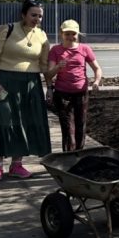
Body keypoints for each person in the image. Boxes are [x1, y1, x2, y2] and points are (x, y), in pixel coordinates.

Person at [0, 0, 52, 185]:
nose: (37, 19)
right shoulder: (7, 29)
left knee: (24, 123)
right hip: (4, 81)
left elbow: (43, 65)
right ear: (23, 15)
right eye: (33, 15)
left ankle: (16, 165)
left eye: (40, 16)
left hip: (30, 84)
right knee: (1, 121)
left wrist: (51, 85)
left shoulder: (42, 36)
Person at [47, 19, 103, 152]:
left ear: (77, 34)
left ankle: (79, 154)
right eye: (67, 34)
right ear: (61, 34)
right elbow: (48, 74)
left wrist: (96, 81)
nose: (71, 37)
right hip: (62, 94)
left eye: (73, 34)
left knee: (80, 125)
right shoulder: (55, 50)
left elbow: (97, 68)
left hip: (81, 94)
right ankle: (68, 156)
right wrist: (58, 67)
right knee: (67, 128)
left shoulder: (85, 49)